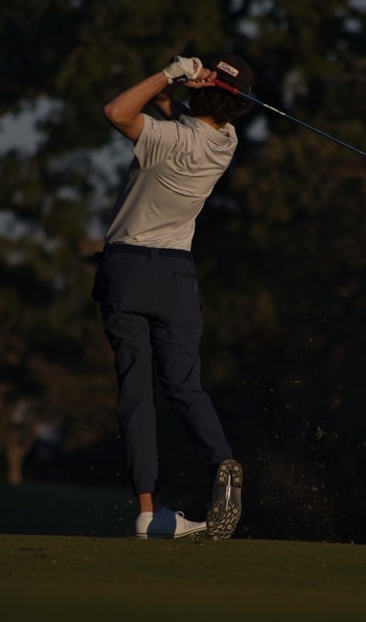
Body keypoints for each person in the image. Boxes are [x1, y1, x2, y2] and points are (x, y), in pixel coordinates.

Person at [93, 53, 254, 539]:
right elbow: (186, 121)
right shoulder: (227, 142)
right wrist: (182, 92)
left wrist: (169, 73)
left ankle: (147, 509)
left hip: (127, 270)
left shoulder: (165, 138)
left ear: (199, 91)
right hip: (178, 278)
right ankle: (221, 461)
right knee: (186, 386)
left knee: (137, 394)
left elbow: (116, 112)